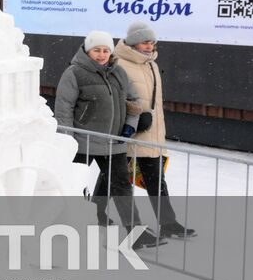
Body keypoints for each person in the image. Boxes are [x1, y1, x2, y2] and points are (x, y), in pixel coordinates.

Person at [53, 30, 157, 247]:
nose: (101, 55)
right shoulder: (74, 73)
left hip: (114, 141)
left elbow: (134, 102)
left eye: (106, 51)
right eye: (97, 50)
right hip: (83, 140)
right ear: (87, 50)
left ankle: (135, 233)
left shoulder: (118, 73)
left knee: (122, 186)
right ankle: (72, 228)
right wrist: (67, 141)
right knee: (75, 185)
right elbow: (64, 109)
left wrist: (129, 127)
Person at [114, 21, 196, 240]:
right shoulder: (119, 64)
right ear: (133, 43)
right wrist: (134, 119)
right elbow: (117, 99)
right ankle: (96, 215)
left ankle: (168, 223)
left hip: (152, 133)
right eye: (145, 42)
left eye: (152, 42)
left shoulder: (151, 64)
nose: (150, 46)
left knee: (156, 179)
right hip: (129, 132)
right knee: (113, 178)